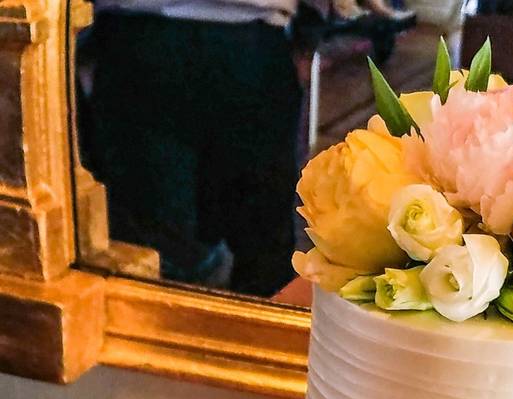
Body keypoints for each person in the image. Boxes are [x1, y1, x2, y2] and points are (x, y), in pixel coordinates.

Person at [85, 0, 412, 296]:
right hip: (249, 45)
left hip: (138, 43)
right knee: (261, 241)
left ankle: (155, 342)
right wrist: (312, 29)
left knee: (151, 245)